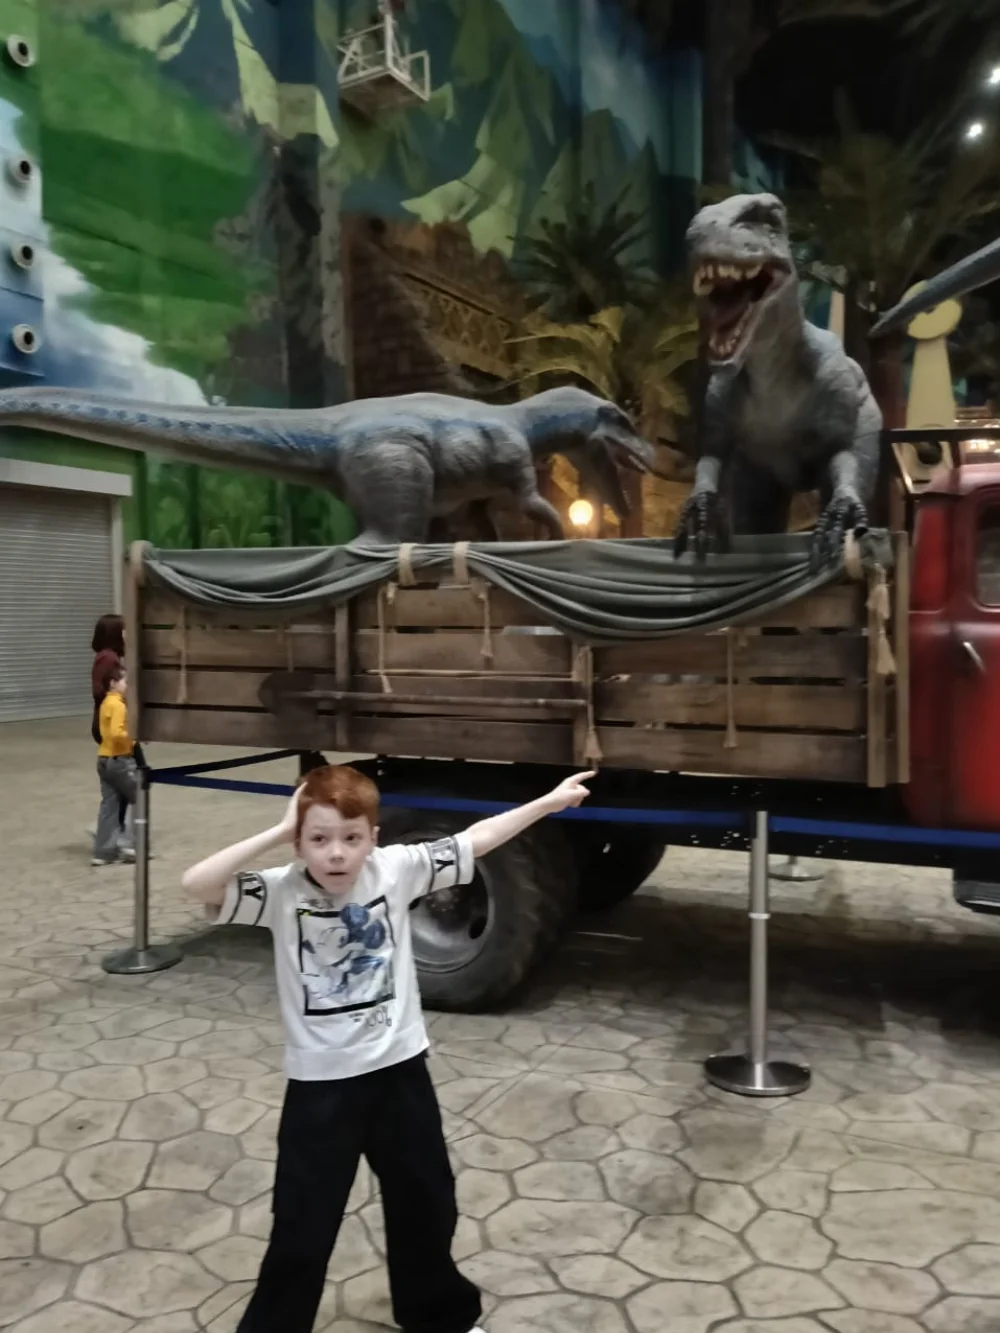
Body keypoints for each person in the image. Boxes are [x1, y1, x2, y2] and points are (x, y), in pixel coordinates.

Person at [182, 762, 595, 1333]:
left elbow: (478, 839)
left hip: (400, 1074)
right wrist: (279, 831)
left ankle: (438, 1317)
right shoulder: (280, 891)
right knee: (303, 1224)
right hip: (320, 1091)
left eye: (351, 838)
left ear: (373, 838)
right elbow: (197, 884)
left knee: (428, 1202)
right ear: (300, 842)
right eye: (319, 839)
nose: (336, 854)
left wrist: (547, 803)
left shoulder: (397, 869)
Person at [92, 664, 137, 866]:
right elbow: (117, 733)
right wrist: (133, 738)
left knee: (109, 805)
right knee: (139, 798)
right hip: (120, 759)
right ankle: (131, 846)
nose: (128, 685)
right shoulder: (119, 705)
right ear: (113, 683)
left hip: (104, 758)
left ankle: (103, 852)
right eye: (125, 681)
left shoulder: (106, 703)